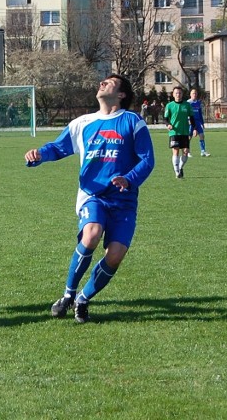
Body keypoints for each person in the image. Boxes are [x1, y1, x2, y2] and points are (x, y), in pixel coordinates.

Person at [24, 74, 155, 323]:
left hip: (123, 201)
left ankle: (83, 299)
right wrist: (39, 153)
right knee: (92, 233)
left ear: (122, 94)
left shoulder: (132, 121)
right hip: (92, 195)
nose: (102, 83)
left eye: (110, 82)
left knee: (115, 254)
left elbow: (147, 159)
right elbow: (58, 147)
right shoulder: (83, 122)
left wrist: (129, 179)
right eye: (102, 81)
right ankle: (67, 294)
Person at [163, 86, 196, 179]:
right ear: (173, 94)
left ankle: (180, 168)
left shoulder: (187, 105)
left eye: (180, 93)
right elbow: (165, 119)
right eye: (176, 93)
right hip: (174, 132)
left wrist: (195, 128)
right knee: (176, 151)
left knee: (185, 152)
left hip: (185, 132)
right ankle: (177, 172)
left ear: (182, 94)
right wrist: (168, 124)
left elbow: (192, 118)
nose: (178, 94)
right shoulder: (169, 105)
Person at [188, 88, 210, 157]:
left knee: (202, 135)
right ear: (190, 94)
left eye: (195, 93)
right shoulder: (188, 103)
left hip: (197, 122)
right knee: (189, 137)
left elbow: (200, 113)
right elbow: (186, 113)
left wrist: (202, 123)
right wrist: (188, 120)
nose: (194, 94)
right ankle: (187, 152)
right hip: (191, 122)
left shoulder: (198, 103)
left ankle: (203, 151)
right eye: (193, 93)